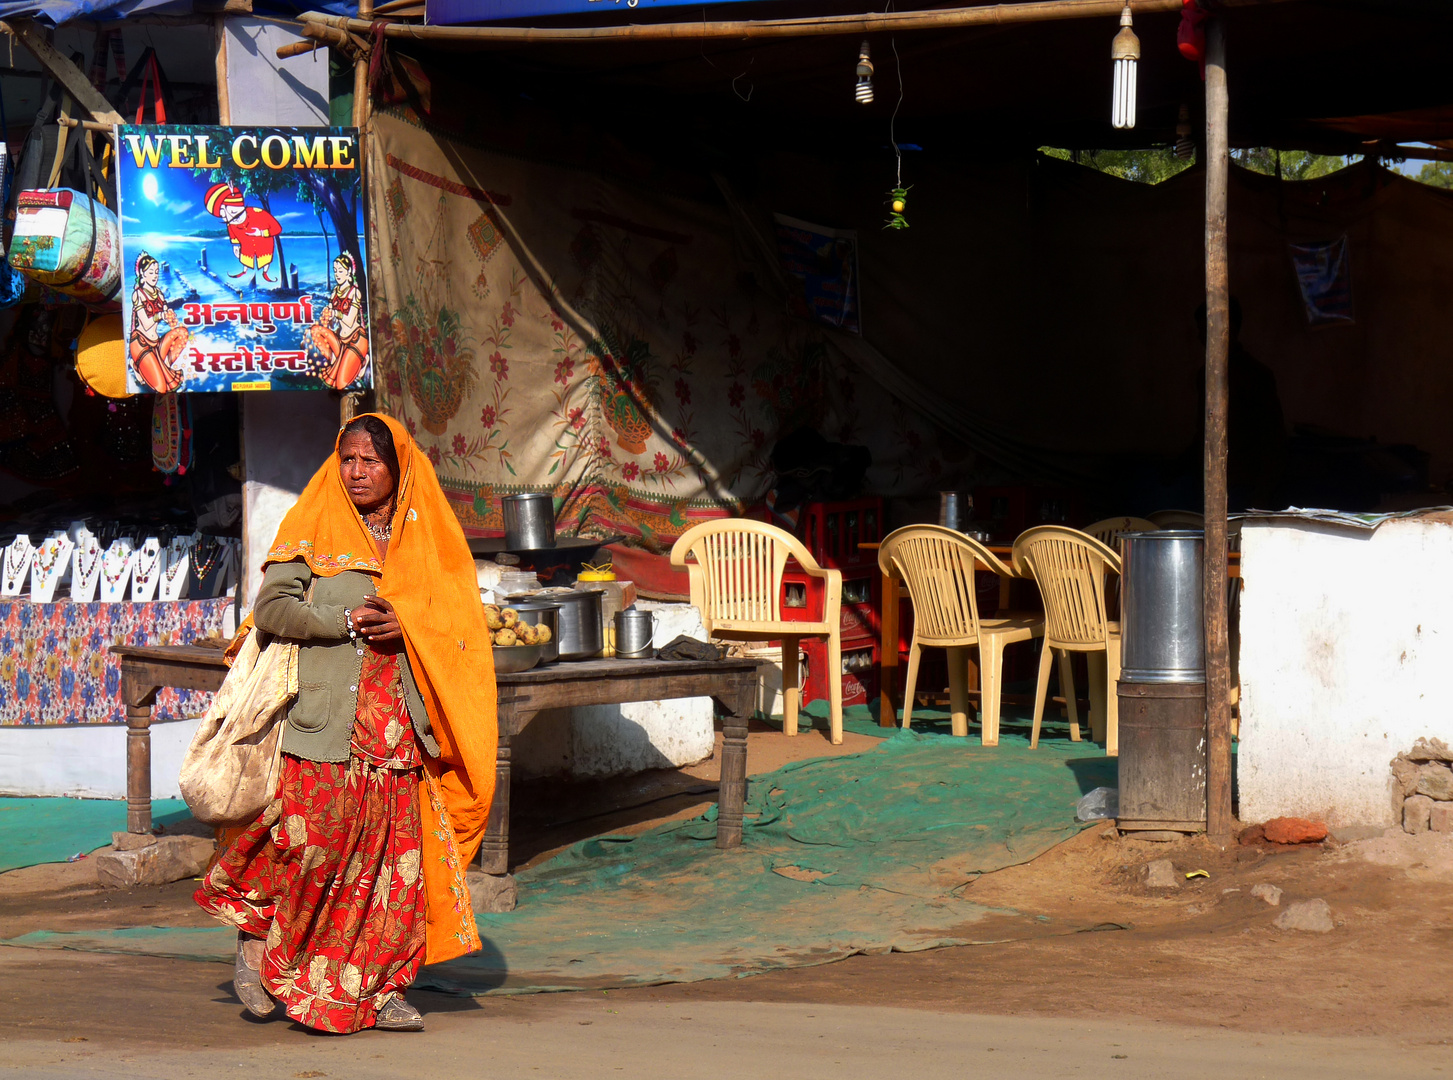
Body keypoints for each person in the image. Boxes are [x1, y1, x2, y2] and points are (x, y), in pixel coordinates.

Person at [195, 413, 497, 1033]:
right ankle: (261, 944)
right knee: (314, 849)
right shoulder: (315, 522)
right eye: (349, 459)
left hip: (399, 729)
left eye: (371, 461)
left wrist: (406, 624)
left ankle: (378, 988)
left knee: (392, 865)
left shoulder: (427, 536)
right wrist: (345, 622)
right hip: (325, 721)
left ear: (399, 468)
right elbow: (272, 607)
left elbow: (459, 620)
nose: (356, 472)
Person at [309, 253, 370, 390]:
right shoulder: (335, 291)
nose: (337, 274)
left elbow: (349, 321)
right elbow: (331, 324)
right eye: (335, 271)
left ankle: (363, 362)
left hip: (356, 340)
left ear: (348, 272)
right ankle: (336, 361)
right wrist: (328, 315)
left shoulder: (355, 293)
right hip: (341, 340)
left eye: (341, 271)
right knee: (315, 330)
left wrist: (336, 313)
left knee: (340, 385)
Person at [128, 253, 188, 393]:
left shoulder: (159, 293)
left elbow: (168, 315)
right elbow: (146, 323)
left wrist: (170, 317)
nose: (155, 276)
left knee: (182, 332)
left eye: (156, 272)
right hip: (141, 344)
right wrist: (160, 315)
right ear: (143, 274)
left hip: (156, 344)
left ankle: (162, 366)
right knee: (161, 388)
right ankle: (137, 365)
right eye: (151, 272)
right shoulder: (138, 294)